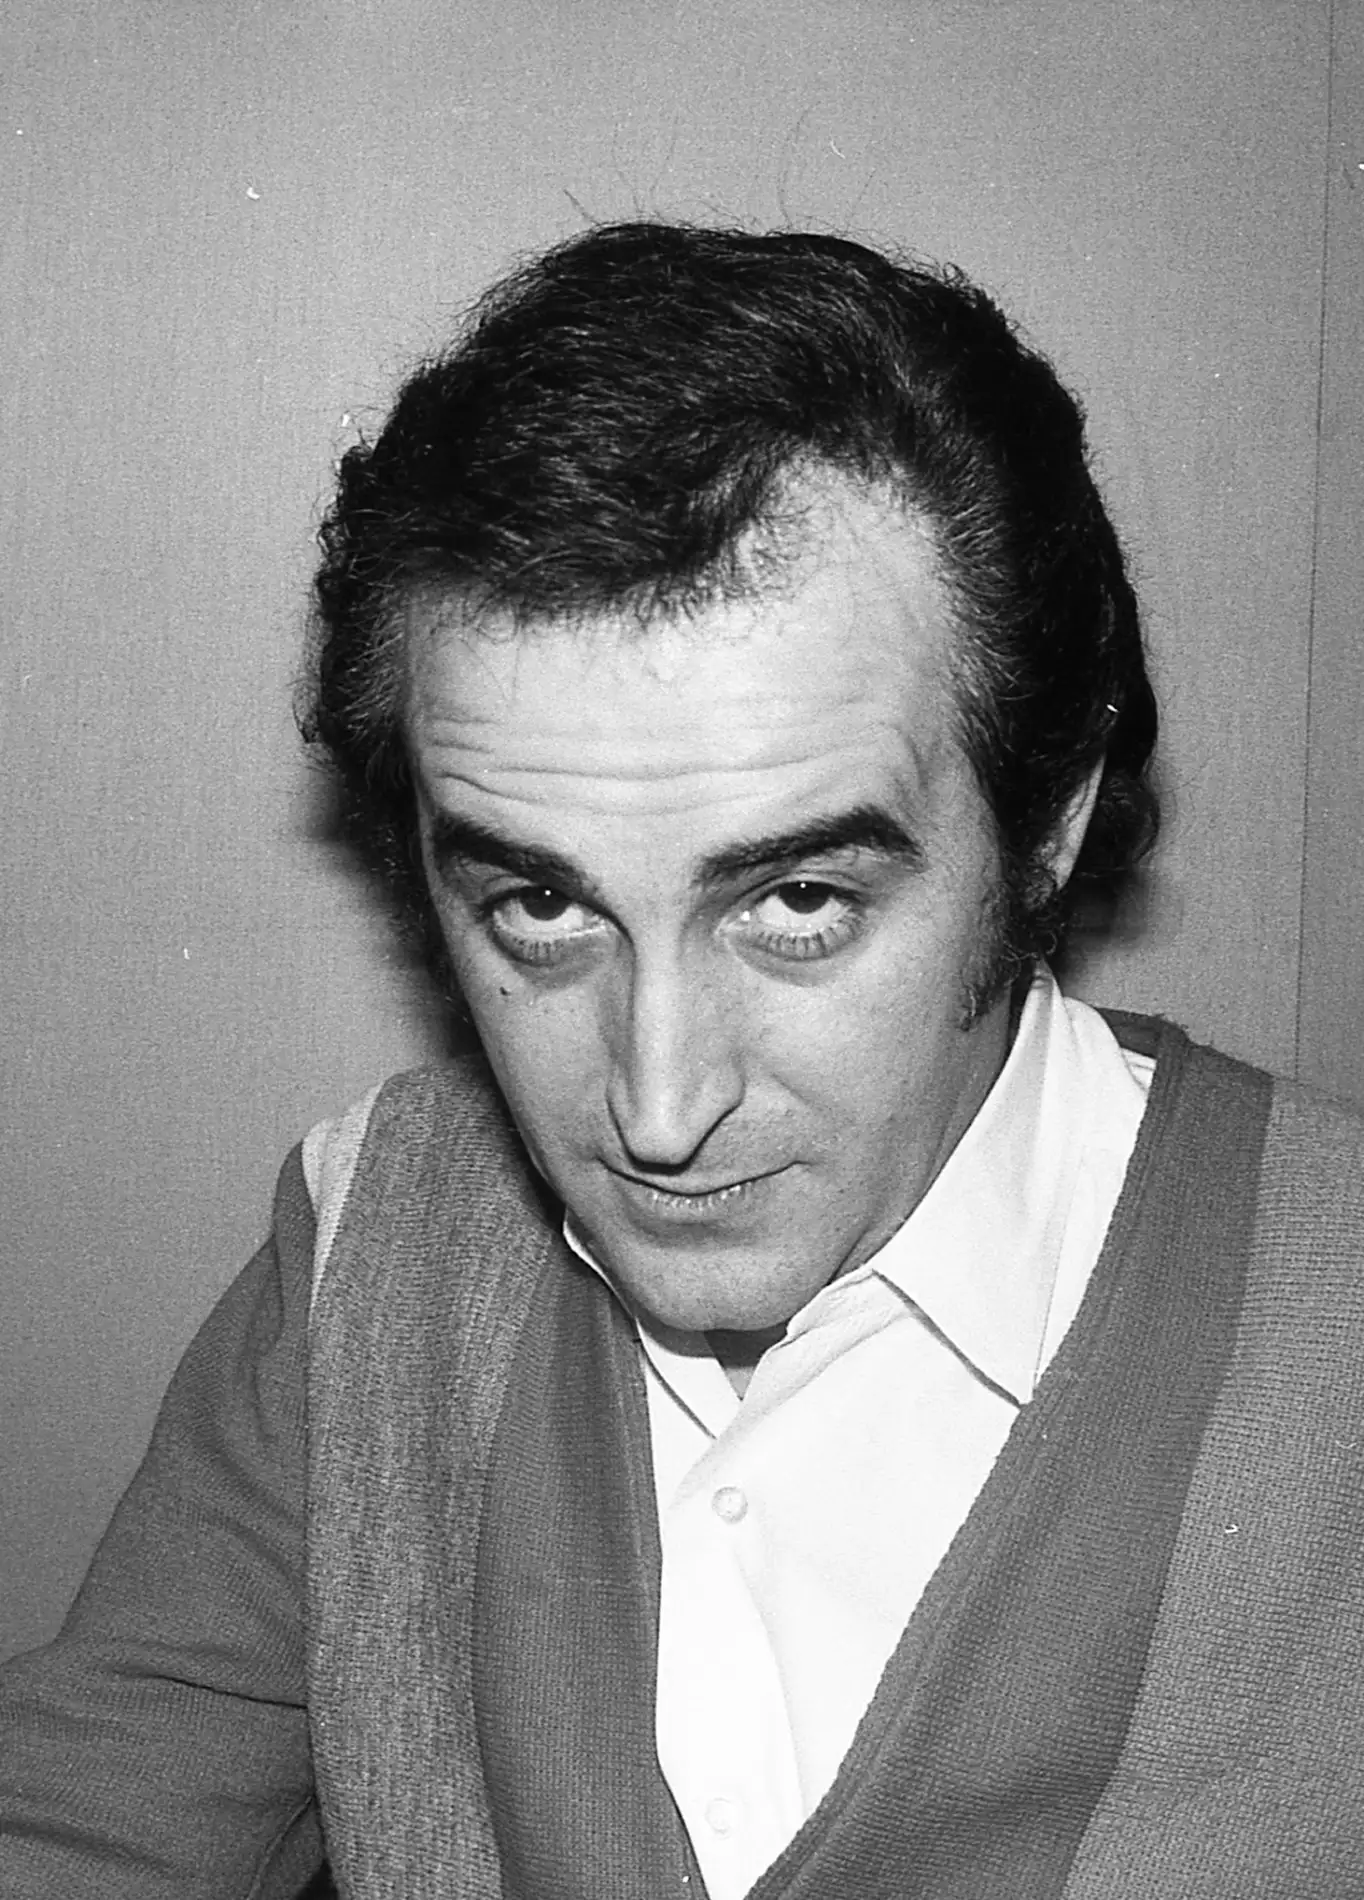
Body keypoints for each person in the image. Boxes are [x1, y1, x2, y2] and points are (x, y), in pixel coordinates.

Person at [3, 221, 1364, 1900]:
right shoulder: (371, 1248)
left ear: (1047, 825)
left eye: (796, 902)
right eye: (540, 907)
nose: (655, 1109)